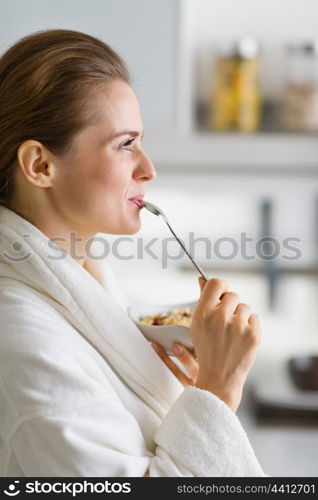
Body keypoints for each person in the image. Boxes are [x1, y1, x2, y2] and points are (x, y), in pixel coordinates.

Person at [0, 29, 266, 477]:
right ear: (40, 166)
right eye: (125, 145)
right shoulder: (23, 337)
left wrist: (193, 386)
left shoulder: (84, 290)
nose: (149, 168)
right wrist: (219, 391)